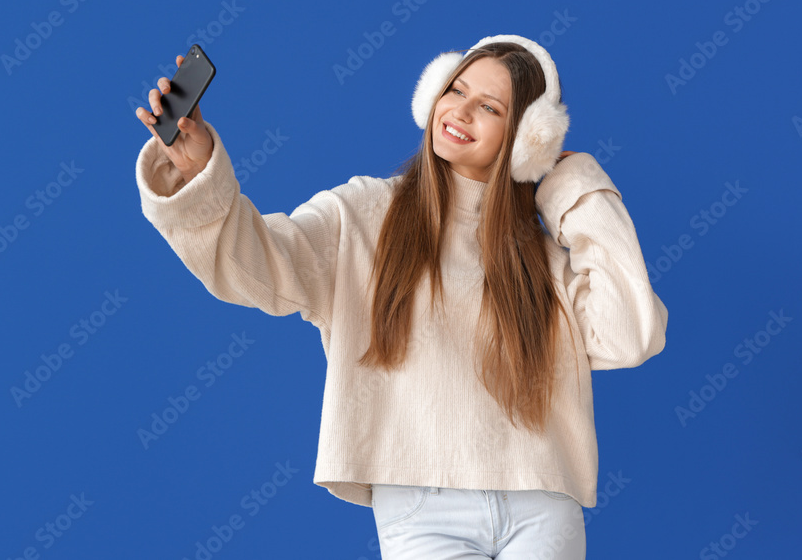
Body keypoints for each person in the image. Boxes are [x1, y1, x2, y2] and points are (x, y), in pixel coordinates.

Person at [134, 34, 668, 559]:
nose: (459, 111)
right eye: (455, 90)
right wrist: (199, 173)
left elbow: (631, 334)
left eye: (489, 106)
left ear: (529, 139)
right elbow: (253, 265)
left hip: (542, 504)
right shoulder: (362, 215)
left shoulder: (542, 261)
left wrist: (573, 184)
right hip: (422, 506)